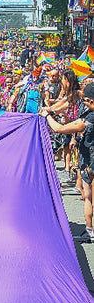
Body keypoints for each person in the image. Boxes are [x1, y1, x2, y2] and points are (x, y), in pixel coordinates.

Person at [42, 80, 94, 243]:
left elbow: (59, 129)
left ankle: (90, 231)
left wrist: (47, 115)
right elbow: (70, 99)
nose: (84, 102)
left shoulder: (90, 117)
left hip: (90, 160)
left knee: (88, 197)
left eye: (86, 100)